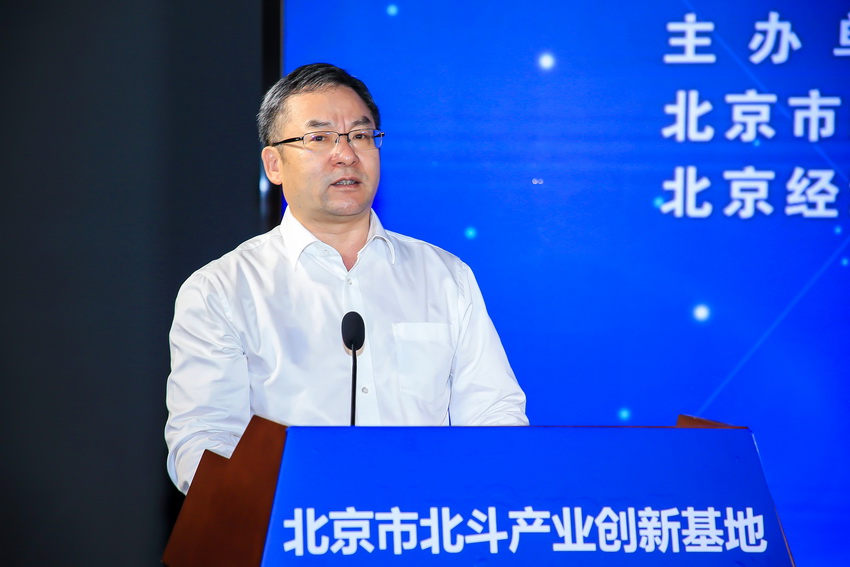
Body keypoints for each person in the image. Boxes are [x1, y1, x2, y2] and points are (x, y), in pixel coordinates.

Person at [165, 63, 528, 494]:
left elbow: (494, 413)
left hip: (423, 519)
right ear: (274, 164)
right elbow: (204, 439)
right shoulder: (222, 290)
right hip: (291, 523)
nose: (346, 154)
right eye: (319, 138)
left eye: (361, 135)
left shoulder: (445, 276)